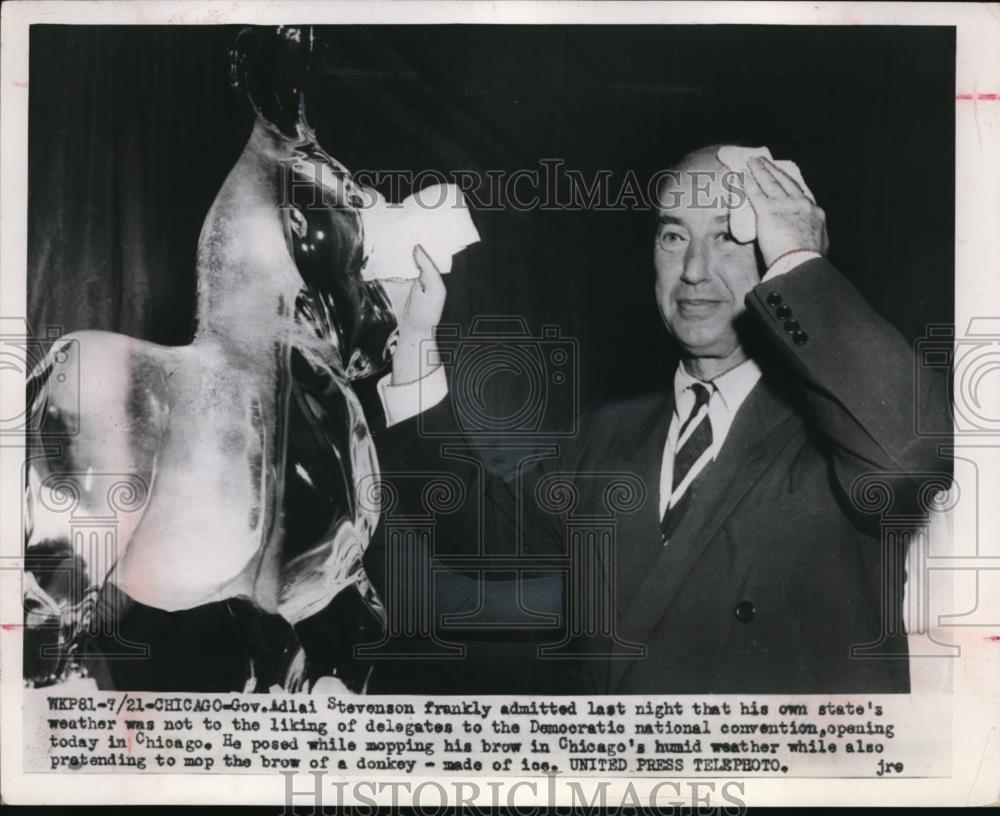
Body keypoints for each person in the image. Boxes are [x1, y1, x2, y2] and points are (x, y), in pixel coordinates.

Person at [370, 146, 952, 694]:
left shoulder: (844, 433)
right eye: (675, 235)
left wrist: (800, 259)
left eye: (726, 236)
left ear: (772, 254)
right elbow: (472, 531)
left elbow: (910, 457)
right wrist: (415, 337)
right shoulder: (608, 437)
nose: (694, 270)